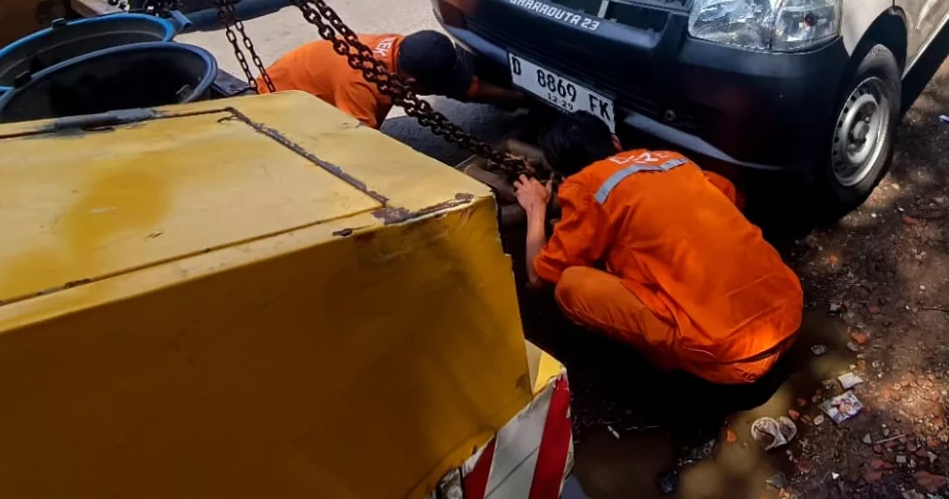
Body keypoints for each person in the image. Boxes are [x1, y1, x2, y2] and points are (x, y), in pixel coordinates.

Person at [514, 112, 804, 385]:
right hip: (788, 316)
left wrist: (536, 208)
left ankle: (664, 373)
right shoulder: (673, 160)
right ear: (615, 142)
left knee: (570, 285)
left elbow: (540, 278)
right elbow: (730, 193)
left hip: (730, 357)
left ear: (565, 174)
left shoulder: (584, 188)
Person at [259, 30, 520, 128]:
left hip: (317, 88)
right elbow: (358, 145)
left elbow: (463, 88)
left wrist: (517, 98)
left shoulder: (405, 49)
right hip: (276, 105)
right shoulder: (361, 84)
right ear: (412, 84)